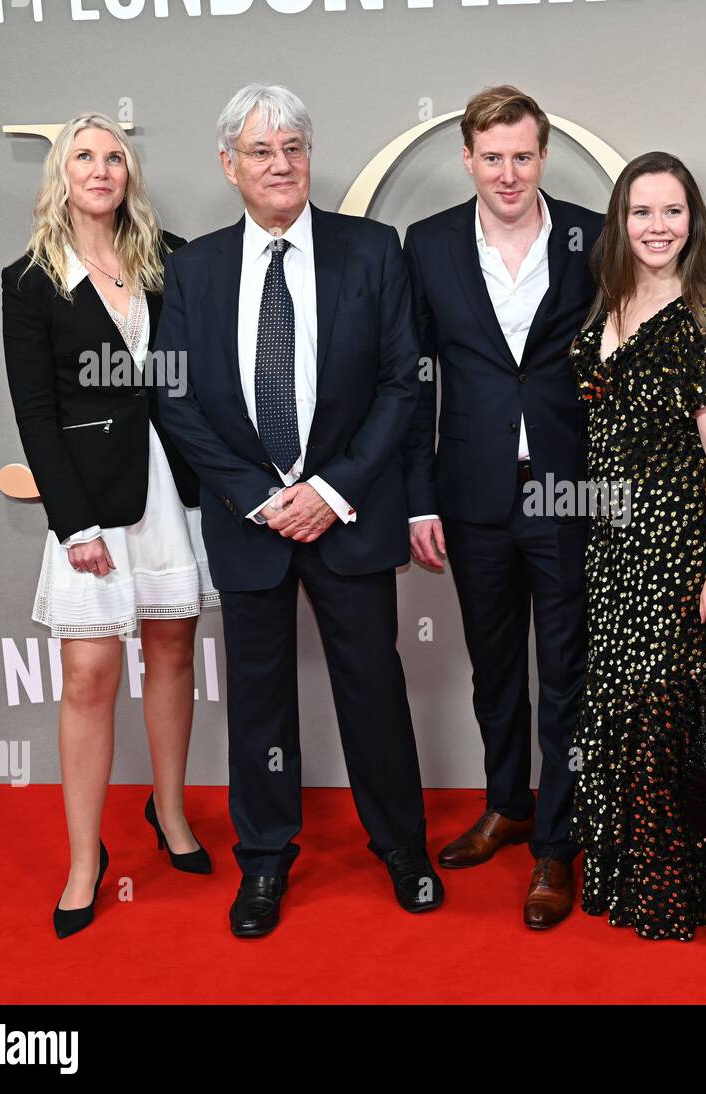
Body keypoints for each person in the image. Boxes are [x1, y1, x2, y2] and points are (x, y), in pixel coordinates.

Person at [155, 84, 440, 938]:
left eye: (293, 148)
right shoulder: (193, 267)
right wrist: (257, 497)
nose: (280, 165)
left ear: (308, 156)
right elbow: (175, 399)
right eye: (260, 151)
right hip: (250, 523)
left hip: (347, 514)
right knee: (258, 701)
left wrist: (331, 491)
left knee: (374, 691)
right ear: (228, 164)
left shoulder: (372, 250)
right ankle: (266, 862)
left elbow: (403, 385)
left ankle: (403, 849)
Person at [0, 112, 216, 941]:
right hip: (93, 499)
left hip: (175, 488)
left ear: (130, 171)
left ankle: (171, 814)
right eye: (84, 156)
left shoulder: (174, 260)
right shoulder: (30, 279)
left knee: (171, 650)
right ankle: (86, 860)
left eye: (114, 156)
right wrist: (73, 522)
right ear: (61, 174)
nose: (101, 169)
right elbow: (36, 413)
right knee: (89, 674)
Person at [401, 86, 603, 929]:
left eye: (523, 156)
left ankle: (556, 846)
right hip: (472, 494)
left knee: (564, 675)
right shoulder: (430, 244)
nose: (509, 172)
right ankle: (507, 803)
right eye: (493, 157)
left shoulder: (594, 233)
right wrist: (417, 502)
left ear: (543, 156)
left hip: (568, 490)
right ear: (468, 160)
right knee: (494, 672)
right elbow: (410, 383)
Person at [569, 151, 706, 942]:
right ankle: (633, 880)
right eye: (642, 212)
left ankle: (682, 892)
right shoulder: (608, 303)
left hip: (679, 547)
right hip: (612, 550)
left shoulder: (703, 316)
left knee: (669, 716)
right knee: (623, 709)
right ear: (622, 222)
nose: (658, 227)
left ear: (694, 221)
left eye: (673, 212)